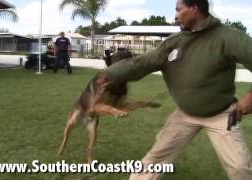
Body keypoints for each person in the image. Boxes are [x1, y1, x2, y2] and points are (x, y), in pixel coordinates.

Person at [102, 0, 252, 179]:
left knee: (240, 167)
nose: (174, 16)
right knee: (153, 163)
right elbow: (141, 64)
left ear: (194, 8)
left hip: (222, 114)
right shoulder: (174, 42)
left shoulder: (229, 37)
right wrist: (108, 74)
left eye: (178, 9)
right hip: (185, 115)